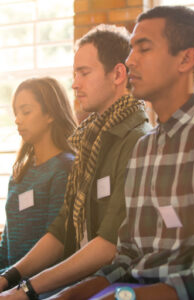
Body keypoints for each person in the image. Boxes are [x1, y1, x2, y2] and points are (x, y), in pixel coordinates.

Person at [51, 6, 194, 300]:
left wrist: (123, 297)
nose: (129, 61)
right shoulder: (144, 149)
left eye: (143, 48)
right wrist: (69, 295)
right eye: (131, 50)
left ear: (185, 59)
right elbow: (126, 258)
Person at [0, 24, 151, 299]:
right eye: (74, 74)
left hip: (115, 287)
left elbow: (107, 247)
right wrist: (9, 278)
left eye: (84, 73)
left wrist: (27, 289)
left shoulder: (137, 142)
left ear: (118, 74)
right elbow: (61, 231)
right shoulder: (89, 141)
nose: (75, 83)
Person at [0, 77, 76, 273]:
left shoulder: (64, 168)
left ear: (50, 114)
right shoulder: (20, 172)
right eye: (16, 113)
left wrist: (9, 280)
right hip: (10, 279)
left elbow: (56, 245)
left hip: (39, 284)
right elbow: (7, 242)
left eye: (26, 111)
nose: (17, 119)